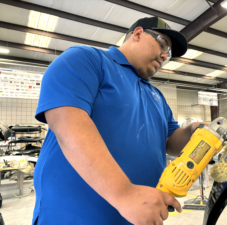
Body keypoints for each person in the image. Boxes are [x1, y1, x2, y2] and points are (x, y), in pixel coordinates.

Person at [32, 17, 202, 225]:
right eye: (163, 43)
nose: (165, 55)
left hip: (138, 218)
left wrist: (196, 132)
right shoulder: (87, 60)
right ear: (138, 34)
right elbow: (67, 123)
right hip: (72, 217)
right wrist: (125, 194)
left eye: (170, 54)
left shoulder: (156, 96)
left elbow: (171, 143)